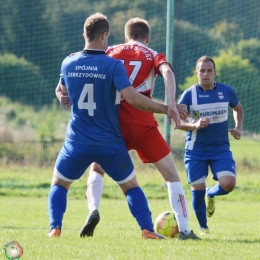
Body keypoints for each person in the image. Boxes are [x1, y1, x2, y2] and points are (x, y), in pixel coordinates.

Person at [57, 17, 200, 240]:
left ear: (125, 36)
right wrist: (171, 103)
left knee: (97, 169)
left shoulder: (110, 50)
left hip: (113, 124)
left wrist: (65, 94)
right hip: (144, 124)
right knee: (171, 175)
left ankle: (93, 209)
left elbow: (87, 70)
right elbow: (167, 72)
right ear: (148, 37)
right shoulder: (153, 54)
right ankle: (184, 229)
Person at [178, 56, 244, 235]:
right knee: (196, 190)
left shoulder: (226, 91)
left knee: (229, 183)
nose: (205, 74)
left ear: (215, 72)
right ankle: (203, 228)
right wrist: (194, 124)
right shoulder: (188, 95)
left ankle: (211, 193)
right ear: (196, 73)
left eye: (209, 71)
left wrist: (238, 127)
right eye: (202, 71)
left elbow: (237, 108)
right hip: (195, 150)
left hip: (220, 148)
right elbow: (178, 122)